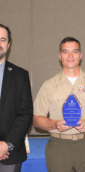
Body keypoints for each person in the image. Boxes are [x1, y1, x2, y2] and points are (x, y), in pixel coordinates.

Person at [33, 37, 85, 172]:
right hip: (58, 147)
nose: (70, 56)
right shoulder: (49, 86)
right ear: (59, 56)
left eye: (75, 52)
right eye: (65, 52)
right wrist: (54, 124)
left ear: (80, 56)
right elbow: (36, 120)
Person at [0, 24, 33, 172]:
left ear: (8, 44)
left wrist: (7, 144)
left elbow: (25, 114)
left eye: (2, 39)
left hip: (10, 153)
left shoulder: (20, 75)